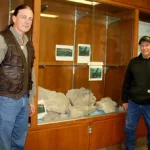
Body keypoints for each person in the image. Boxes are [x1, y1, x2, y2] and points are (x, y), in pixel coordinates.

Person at [0, 4, 36, 150]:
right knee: (3, 140)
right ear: (14, 18)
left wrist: (31, 100)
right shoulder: (3, 39)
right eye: (23, 17)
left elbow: (30, 72)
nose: (27, 22)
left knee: (19, 140)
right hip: (6, 99)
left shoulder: (28, 44)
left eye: (30, 19)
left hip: (24, 99)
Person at [122, 35, 150, 150]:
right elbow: (126, 82)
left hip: (149, 104)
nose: (144, 48)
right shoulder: (133, 62)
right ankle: (129, 148)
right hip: (134, 103)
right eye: (142, 45)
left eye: (147, 45)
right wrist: (124, 100)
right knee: (129, 128)